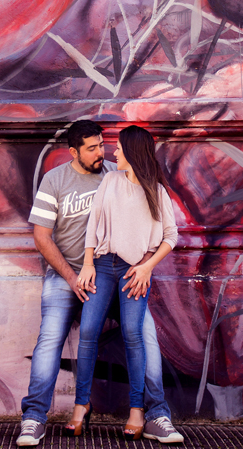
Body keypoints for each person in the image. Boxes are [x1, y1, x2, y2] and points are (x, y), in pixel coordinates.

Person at [17, 120, 184, 446]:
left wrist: (144, 264)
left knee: (145, 336)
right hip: (68, 275)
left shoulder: (117, 172)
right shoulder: (55, 180)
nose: (102, 153)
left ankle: (155, 414)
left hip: (118, 273)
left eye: (103, 146)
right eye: (92, 148)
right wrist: (72, 275)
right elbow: (41, 236)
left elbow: (156, 225)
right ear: (73, 152)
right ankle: (34, 417)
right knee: (50, 339)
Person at [68, 125, 178, 441]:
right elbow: (94, 223)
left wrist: (147, 268)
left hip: (135, 271)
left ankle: (136, 411)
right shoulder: (111, 181)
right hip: (103, 265)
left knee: (133, 334)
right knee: (88, 331)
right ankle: (81, 405)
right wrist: (87, 263)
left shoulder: (156, 191)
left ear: (132, 152)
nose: (113, 152)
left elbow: (171, 236)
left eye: (119, 148)